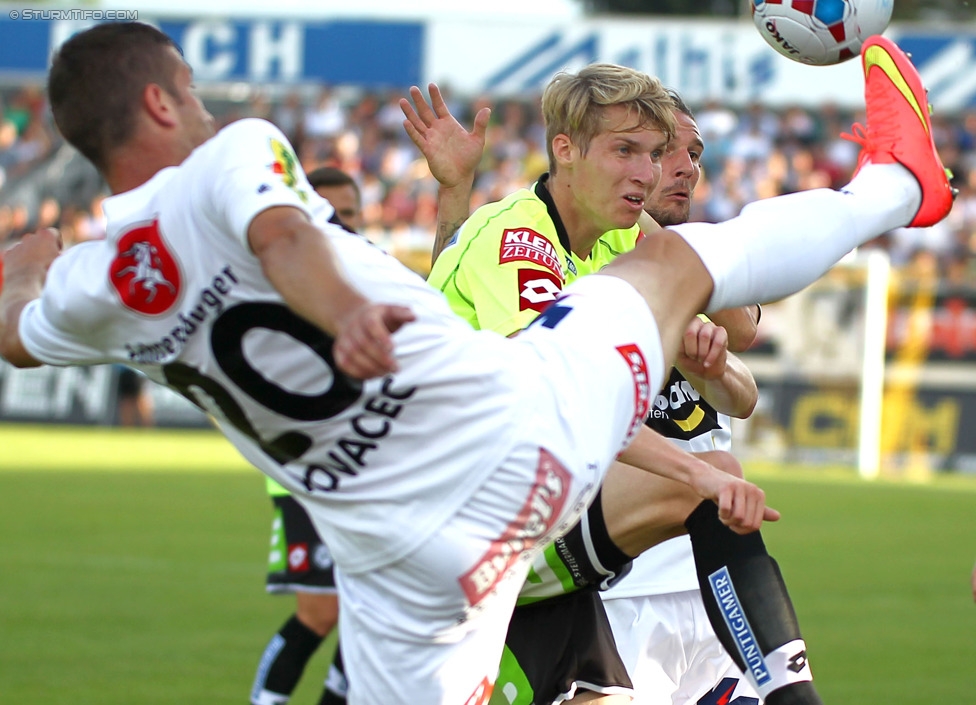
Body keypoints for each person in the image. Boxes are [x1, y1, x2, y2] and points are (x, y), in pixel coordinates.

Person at [0, 22, 954, 705]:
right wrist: (346, 317)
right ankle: (900, 181)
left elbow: (16, 329)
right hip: (498, 439)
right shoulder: (231, 155)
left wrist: (23, 275)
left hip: (396, 562)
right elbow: (285, 236)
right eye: (194, 93)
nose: (209, 111)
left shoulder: (95, 285)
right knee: (670, 260)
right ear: (163, 100)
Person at [410, 81, 768, 704]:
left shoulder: (627, 243)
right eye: (631, 151)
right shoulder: (522, 237)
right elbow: (561, 395)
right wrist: (699, 474)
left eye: (663, 154)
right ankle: (790, 683)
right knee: (711, 474)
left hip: (570, 524)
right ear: (568, 150)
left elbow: (742, 356)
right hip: (468, 520)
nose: (661, 169)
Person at [250, 166, 363, 705]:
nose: (343, 223)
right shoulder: (290, 277)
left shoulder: (372, 272)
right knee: (321, 611)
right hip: (305, 475)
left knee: (367, 612)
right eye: (330, 212)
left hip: (369, 474)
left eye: (352, 213)